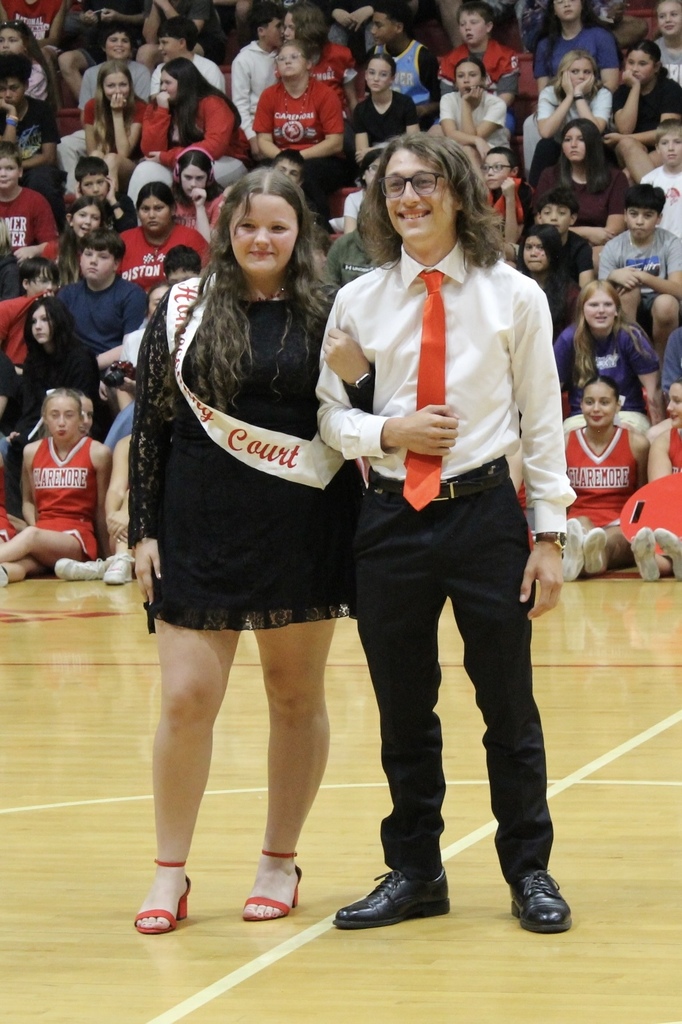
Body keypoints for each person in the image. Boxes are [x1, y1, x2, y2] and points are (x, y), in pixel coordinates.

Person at [317, 134, 575, 934]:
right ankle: (416, 872)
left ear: (458, 192)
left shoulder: (513, 295)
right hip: (391, 518)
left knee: (508, 705)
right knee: (403, 707)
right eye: (394, 186)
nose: (408, 197)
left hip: (485, 513)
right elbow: (330, 417)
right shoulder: (358, 299)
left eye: (423, 181)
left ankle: (530, 869)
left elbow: (543, 419)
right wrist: (391, 432)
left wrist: (551, 536)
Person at [128, 166, 359, 934]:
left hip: (302, 522)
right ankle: (168, 873)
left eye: (278, 226)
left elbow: (357, 412)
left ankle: (278, 860)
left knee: (294, 698)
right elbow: (152, 426)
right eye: (249, 225)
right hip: (198, 524)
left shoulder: (334, 312)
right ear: (229, 230)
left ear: (302, 235)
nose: (262, 239)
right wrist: (143, 533)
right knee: (187, 699)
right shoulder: (181, 307)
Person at [0, 388, 111, 585]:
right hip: (43, 533)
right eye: (54, 415)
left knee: (30, 537)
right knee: (18, 566)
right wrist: (40, 531)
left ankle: (89, 565)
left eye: (69, 415)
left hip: (77, 536)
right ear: (44, 418)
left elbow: (101, 509)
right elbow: (28, 501)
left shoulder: (98, 452)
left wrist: (107, 555)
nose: (61, 422)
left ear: (80, 418)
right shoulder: (31, 452)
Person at [253, 39, 350, 227]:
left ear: (308, 64)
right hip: (281, 155)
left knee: (308, 173)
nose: (287, 62)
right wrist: (284, 160)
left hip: (324, 159)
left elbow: (335, 142)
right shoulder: (269, 95)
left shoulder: (325, 94)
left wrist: (297, 158)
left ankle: (320, 229)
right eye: (281, 59)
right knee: (259, 173)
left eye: (293, 57)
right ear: (276, 68)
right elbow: (263, 140)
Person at [562, 374, 649, 581]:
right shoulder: (565, 443)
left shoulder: (638, 443)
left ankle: (585, 560)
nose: (596, 409)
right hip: (579, 519)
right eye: (589, 402)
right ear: (580, 405)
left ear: (618, 406)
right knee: (578, 526)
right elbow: (560, 496)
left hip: (618, 522)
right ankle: (586, 556)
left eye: (604, 402)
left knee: (613, 539)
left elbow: (642, 495)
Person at [128, 56, 248, 204]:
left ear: (184, 84)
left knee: (186, 176)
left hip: (225, 161)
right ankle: (133, 224)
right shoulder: (158, 105)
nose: (162, 88)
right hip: (180, 162)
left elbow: (214, 147)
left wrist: (168, 157)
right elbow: (151, 151)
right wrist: (161, 112)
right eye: (161, 83)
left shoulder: (213, 103)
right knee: (145, 170)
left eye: (168, 83)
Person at [554, 279, 663, 430]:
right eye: (593, 305)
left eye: (607, 304)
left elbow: (653, 390)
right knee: (572, 441)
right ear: (582, 310)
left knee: (620, 437)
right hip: (581, 417)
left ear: (616, 310)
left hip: (628, 414)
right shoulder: (568, 339)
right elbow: (551, 390)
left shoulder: (631, 336)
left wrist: (658, 432)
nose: (601, 310)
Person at [599, 182, 682, 360]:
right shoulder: (613, 247)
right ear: (625, 215)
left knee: (666, 304)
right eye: (633, 214)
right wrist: (613, 276)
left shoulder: (671, 243)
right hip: (628, 303)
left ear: (659, 218)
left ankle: (662, 365)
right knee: (628, 291)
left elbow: (678, 290)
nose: (639, 221)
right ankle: (633, 361)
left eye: (648, 215)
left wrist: (642, 276)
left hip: (662, 302)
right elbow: (599, 292)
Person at [58, 226, 147, 370]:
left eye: (103, 256)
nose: (93, 261)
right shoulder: (67, 294)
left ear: (116, 264)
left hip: (114, 367)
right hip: (74, 366)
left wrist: (90, 365)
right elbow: (58, 340)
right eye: (88, 254)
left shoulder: (132, 295)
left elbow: (130, 346)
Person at [536, 118, 628, 254]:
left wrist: (569, 232)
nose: (573, 145)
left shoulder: (616, 177)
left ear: (593, 144)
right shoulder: (549, 175)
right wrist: (587, 232)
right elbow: (541, 224)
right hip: (558, 244)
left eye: (581, 139)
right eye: (567, 140)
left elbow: (613, 231)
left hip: (600, 248)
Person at [528, 48, 612, 188]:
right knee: (545, 146)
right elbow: (546, 132)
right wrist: (569, 97)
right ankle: (533, 199)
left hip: (592, 147)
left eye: (587, 72)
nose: (582, 77)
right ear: (563, 74)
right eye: (575, 71)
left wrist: (578, 95)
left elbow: (594, 131)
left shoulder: (602, 93)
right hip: (560, 145)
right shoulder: (549, 92)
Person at [0, 52, 65, 228]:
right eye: (2, 88)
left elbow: (48, 157)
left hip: (37, 170)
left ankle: (59, 232)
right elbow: (5, 154)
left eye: (13, 88)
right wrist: (11, 116)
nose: (7, 94)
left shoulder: (42, 110)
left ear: (26, 85)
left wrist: (18, 167)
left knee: (40, 180)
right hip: (3, 170)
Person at [605, 41, 682, 184]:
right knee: (627, 144)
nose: (634, 69)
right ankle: (661, 198)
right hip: (626, 150)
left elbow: (667, 133)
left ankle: (654, 199)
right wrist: (635, 87)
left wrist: (621, 137)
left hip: (663, 147)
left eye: (642, 64)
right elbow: (625, 129)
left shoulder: (670, 89)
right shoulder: (621, 93)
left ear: (656, 67)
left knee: (628, 176)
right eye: (631, 63)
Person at [438, 1, 519, 129]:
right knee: (434, 133)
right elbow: (447, 98)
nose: (467, 28)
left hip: (495, 111)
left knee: (488, 134)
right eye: (462, 24)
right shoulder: (450, 59)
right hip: (459, 111)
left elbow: (506, 97)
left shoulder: (505, 56)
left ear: (488, 27)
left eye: (473, 22)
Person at [632, 376, 682, 580]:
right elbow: (661, 493)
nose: (669, 407)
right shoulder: (664, 441)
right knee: (658, 537)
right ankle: (653, 561)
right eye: (669, 399)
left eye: (677, 401)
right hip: (676, 518)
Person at [119, 181, 208, 290]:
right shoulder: (125, 240)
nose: (151, 215)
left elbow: (207, 277)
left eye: (158, 208)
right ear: (137, 212)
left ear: (173, 210)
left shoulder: (191, 238)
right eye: (145, 209)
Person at [367, 0, 440, 131]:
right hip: (384, 123)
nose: (373, 31)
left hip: (418, 124)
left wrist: (423, 109)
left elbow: (441, 102)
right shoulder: (374, 54)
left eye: (378, 25)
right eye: (373, 25)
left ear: (398, 28)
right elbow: (368, 94)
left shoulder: (423, 57)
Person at [230, 0, 282, 164]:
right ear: (261, 31)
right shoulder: (243, 60)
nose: (283, 32)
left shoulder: (287, 54)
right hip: (256, 128)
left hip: (285, 122)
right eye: (278, 27)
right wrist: (253, 139)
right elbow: (240, 105)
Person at [83, 59, 146, 192]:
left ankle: (112, 203)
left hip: (131, 166)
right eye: (111, 86)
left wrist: (117, 114)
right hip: (102, 161)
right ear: (102, 87)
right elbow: (91, 152)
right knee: (96, 155)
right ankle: (94, 204)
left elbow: (124, 153)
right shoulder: (91, 106)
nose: (118, 91)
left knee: (112, 159)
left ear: (130, 85)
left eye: (123, 85)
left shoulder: (140, 107)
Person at [533, 0, 620, 94]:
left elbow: (610, 84)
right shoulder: (544, 44)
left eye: (572, 0)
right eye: (560, 1)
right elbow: (543, 92)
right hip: (559, 104)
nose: (567, 4)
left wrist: (583, 101)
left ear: (582, 4)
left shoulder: (602, 37)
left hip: (595, 103)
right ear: (553, 9)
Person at [439, 56, 509, 168]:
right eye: (461, 76)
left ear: (483, 80)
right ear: (456, 82)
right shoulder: (448, 99)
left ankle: (479, 186)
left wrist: (466, 104)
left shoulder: (497, 104)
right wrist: (477, 140)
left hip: (493, 151)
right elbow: (450, 133)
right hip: (464, 147)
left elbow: (470, 139)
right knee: (436, 132)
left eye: (472, 75)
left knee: (468, 150)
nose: (466, 80)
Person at [353, 52, 418, 164]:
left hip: (402, 159)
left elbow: (413, 144)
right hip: (374, 163)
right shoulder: (360, 110)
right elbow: (361, 155)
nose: (376, 79)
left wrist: (374, 150)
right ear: (365, 75)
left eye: (383, 74)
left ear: (392, 78)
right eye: (372, 73)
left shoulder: (406, 103)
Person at [517, 224, 579, 340]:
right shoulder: (514, 288)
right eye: (528, 247)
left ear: (554, 252)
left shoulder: (571, 293)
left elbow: (574, 336)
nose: (533, 253)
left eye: (540, 247)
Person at [535, 185, 596, 288]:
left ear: (572, 218)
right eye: (547, 213)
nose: (553, 218)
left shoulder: (581, 248)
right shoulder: (531, 243)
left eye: (561, 213)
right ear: (539, 218)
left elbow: (586, 290)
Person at [43, 194, 107, 285]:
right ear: (70, 220)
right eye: (82, 215)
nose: (88, 222)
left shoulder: (106, 253)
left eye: (94, 218)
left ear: (100, 224)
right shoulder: (53, 249)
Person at [0, 18, 58, 108]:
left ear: (25, 44)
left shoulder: (36, 72)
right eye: (1, 40)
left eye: (12, 40)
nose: (5, 45)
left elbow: (20, 104)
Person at [171, 146, 223, 240]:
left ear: (209, 178)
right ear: (177, 175)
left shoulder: (219, 202)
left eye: (199, 178)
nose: (193, 184)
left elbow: (207, 243)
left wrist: (200, 207)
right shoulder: (169, 198)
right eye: (188, 177)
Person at [74, 154, 137, 232]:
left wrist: (113, 202)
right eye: (88, 184)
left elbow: (130, 233)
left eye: (100, 182)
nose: (96, 189)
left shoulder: (123, 201)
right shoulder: (75, 209)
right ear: (79, 188)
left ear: (109, 182)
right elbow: (77, 237)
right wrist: (82, 205)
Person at [641, 119, 682, 239]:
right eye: (664, 143)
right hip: (659, 246)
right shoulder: (648, 181)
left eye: (677, 142)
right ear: (657, 148)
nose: (670, 148)